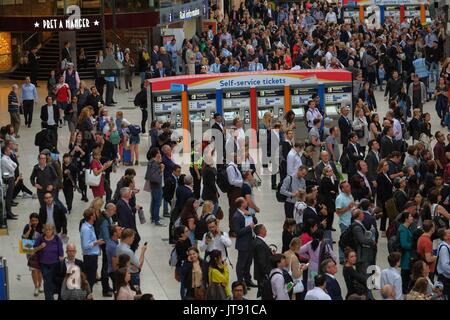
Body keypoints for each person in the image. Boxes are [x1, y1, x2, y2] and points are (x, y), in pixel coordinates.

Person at [33, 224, 64, 300]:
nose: (48, 231)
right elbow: (33, 249)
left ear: (53, 230)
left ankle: (52, 295)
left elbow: (61, 251)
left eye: (50, 229)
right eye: (46, 229)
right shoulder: (40, 238)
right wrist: (40, 246)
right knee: (47, 281)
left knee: (53, 281)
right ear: (43, 230)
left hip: (55, 264)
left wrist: (61, 258)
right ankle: (49, 298)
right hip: (44, 264)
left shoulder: (57, 238)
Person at [232, 197, 256, 288]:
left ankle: (248, 280)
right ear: (242, 204)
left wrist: (251, 215)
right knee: (241, 264)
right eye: (245, 201)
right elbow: (237, 232)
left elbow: (255, 222)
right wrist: (249, 227)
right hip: (243, 244)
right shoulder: (237, 216)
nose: (247, 202)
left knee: (248, 263)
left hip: (250, 242)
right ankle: (240, 282)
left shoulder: (246, 212)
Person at [80, 208, 105, 291]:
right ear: (91, 217)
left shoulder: (90, 226)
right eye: (94, 214)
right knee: (90, 279)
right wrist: (96, 242)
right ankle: (88, 295)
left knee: (91, 278)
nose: (96, 215)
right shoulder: (86, 229)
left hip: (92, 256)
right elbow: (85, 246)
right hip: (89, 257)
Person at [116, 228, 147, 293]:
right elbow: (139, 265)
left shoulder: (118, 246)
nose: (133, 239)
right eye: (132, 237)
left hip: (123, 273)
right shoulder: (128, 251)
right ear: (128, 238)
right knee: (137, 292)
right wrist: (143, 252)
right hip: (133, 276)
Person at [22, 213, 43, 296]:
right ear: (30, 221)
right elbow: (24, 238)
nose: (34, 222)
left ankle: (40, 284)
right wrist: (30, 229)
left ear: (39, 220)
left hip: (41, 251)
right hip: (31, 252)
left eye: (36, 220)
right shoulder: (27, 227)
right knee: (34, 270)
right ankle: (36, 287)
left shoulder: (42, 228)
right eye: (32, 220)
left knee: (40, 270)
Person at [351, 209, 377, 273]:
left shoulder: (359, 224)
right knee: (364, 271)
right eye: (362, 214)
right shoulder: (357, 227)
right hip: (362, 253)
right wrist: (372, 242)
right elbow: (362, 240)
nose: (363, 215)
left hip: (362, 251)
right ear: (358, 216)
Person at [335, 181, 355, 264]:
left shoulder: (350, 195)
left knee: (350, 241)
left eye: (349, 185)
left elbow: (352, 206)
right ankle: (342, 258)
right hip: (344, 223)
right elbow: (338, 212)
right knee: (343, 241)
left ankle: (349, 258)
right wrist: (348, 208)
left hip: (351, 222)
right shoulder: (340, 198)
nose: (349, 187)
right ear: (342, 189)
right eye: (347, 186)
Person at [145, 147, 165, 226]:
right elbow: (157, 175)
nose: (160, 154)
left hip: (153, 185)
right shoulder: (155, 164)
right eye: (159, 152)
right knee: (158, 203)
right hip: (157, 184)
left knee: (154, 201)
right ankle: (156, 219)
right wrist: (162, 169)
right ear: (156, 154)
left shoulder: (151, 162)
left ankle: (153, 217)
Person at [116, 187, 141, 252]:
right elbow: (124, 221)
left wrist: (134, 209)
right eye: (130, 192)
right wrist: (129, 234)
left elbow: (128, 212)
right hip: (128, 233)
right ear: (125, 194)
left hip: (131, 231)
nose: (131, 193)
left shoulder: (125, 202)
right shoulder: (121, 204)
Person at [227, 154, 243, 236]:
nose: (239, 157)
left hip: (237, 190)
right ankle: (232, 230)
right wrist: (241, 182)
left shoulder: (235, 166)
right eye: (238, 156)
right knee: (233, 210)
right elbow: (232, 181)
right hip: (234, 191)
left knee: (237, 209)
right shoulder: (230, 168)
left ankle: (236, 228)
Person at [376, 160, 394, 234]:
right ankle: (383, 230)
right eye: (385, 165)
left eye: (387, 165)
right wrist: (385, 201)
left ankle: (389, 229)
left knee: (388, 213)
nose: (387, 166)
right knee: (384, 213)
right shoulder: (380, 176)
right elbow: (382, 189)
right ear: (382, 167)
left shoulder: (387, 173)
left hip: (390, 196)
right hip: (384, 198)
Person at [398, 211, 414, 294]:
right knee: (405, 279)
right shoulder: (403, 230)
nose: (412, 218)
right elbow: (404, 244)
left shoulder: (407, 228)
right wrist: (413, 245)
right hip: (406, 258)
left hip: (408, 257)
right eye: (411, 216)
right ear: (406, 219)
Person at [1, 145, 18, 220]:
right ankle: (8, 213)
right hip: (8, 178)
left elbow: (15, 164)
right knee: (8, 197)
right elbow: (12, 169)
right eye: (8, 150)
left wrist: (13, 166)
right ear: (5, 151)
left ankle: (10, 212)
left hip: (11, 177)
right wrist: (13, 167)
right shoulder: (4, 160)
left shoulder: (8, 158)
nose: (10, 151)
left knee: (10, 196)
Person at [436, 229, 450, 298]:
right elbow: (445, 266)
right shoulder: (444, 248)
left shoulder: (447, 246)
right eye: (449, 233)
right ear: (445, 237)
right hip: (445, 279)